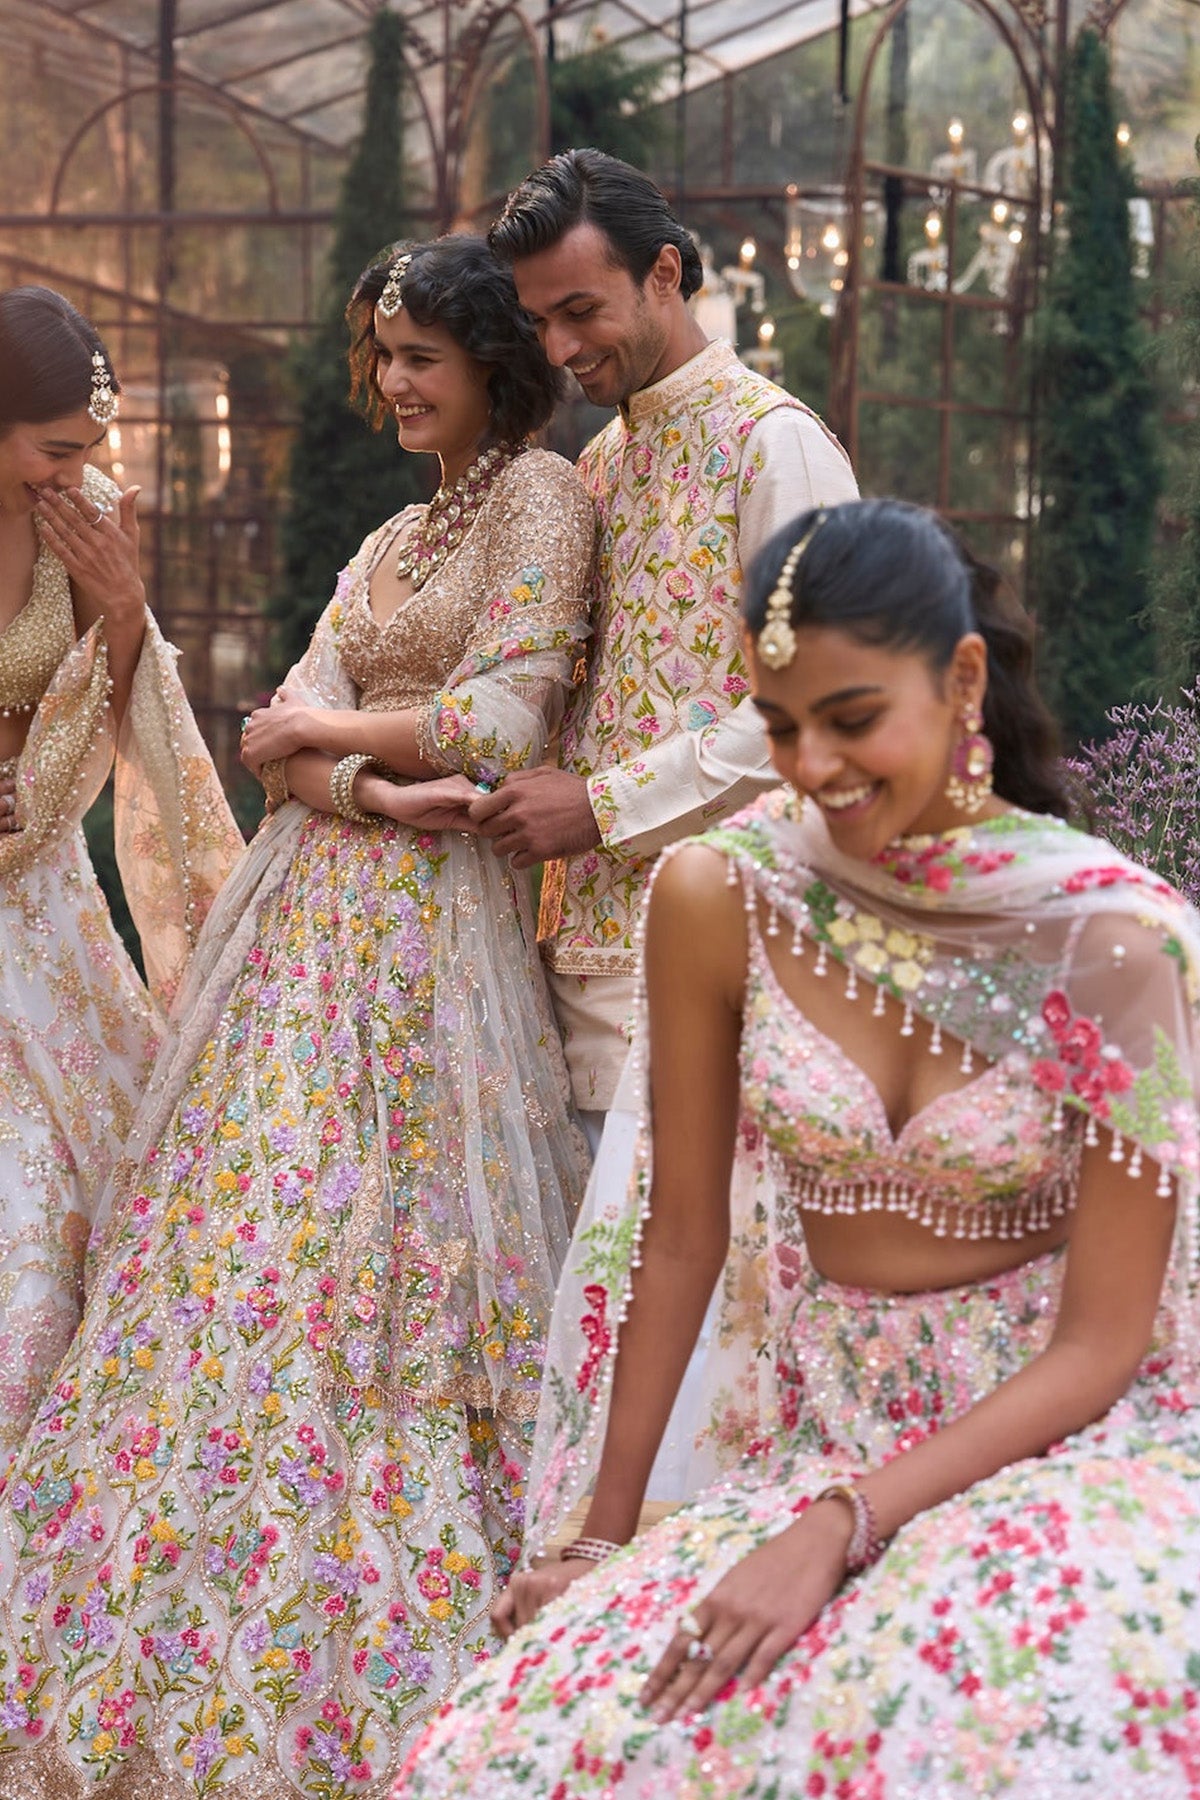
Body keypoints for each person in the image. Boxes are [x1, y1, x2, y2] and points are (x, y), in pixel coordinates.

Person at [396, 498, 1200, 1800]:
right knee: (542, 1743)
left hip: (1072, 1454)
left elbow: (1105, 1344)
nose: (813, 767)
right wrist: (598, 1548)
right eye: (780, 727)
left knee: (1002, 1729)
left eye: (854, 718)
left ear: (965, 681)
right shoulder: (723, 896)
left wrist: (853, 1524)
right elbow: (682, 1238)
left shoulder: (1117, 945)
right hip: (819, 1442)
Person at [0, 236, 592, 1792]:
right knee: (250, 1259)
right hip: (307, 934)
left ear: (491, 363)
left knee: (404, 1274)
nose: (393, 383)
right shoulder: (398, 533)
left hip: (431, 959)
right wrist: (374, 777)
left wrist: (342, 744)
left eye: (421, 357)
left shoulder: (543, 498)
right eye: (382, 356)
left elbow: (503, 717)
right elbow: (275, 738)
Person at [471, 148, 860, 1139]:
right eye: (539, 321)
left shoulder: (778, 448)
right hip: (571, 984)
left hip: (723, 982)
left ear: (665, 274)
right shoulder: (598, 462)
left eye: (581, 312)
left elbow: (819, 718)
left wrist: (599, 807)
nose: (557, 349)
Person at [0, 285, 240, 1466]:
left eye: (94, 446)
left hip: (46, 912)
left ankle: (71, 1529)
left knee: (95, 1206)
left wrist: (125, 605)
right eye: (55, 447)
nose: (82, 470)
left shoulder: (81, 515)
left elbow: (117, 679)